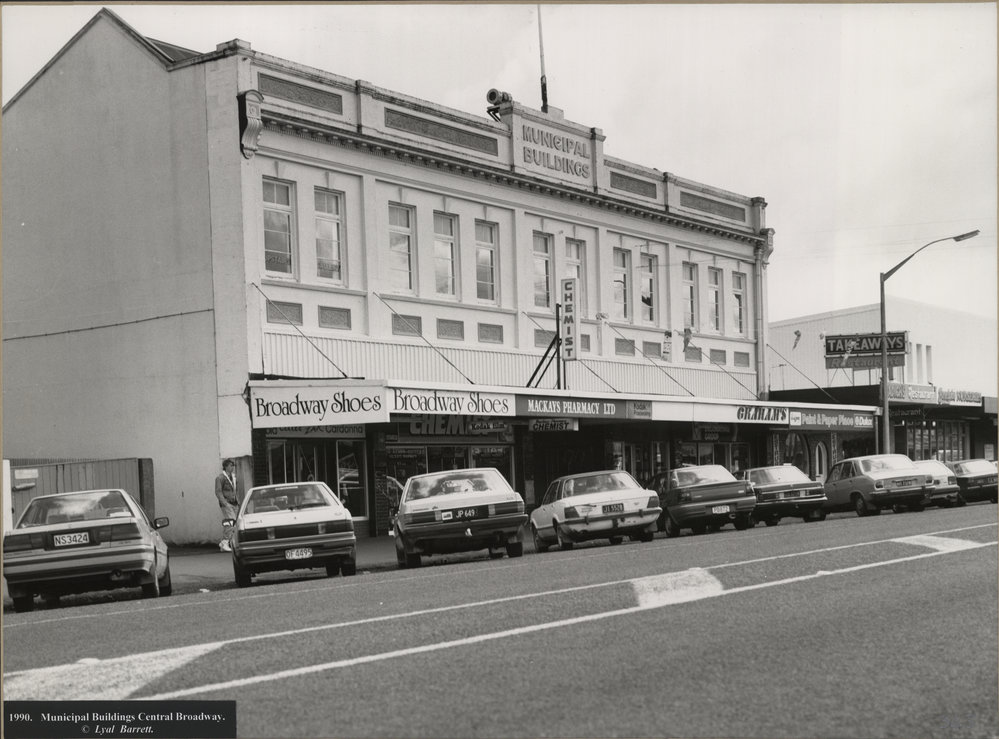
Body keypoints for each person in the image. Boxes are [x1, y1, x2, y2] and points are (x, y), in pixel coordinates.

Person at [214, 459, 239, 551]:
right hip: (227, 503)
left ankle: (225, 543)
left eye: (233, 466)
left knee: (232, 523)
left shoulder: (234, 477)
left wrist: (238, 501)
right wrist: (224, 503)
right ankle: (225, 541)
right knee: (231, 521)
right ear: (225, 467)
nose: (232, 467)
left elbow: (235, 491)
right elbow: (218, 491)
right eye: (230, 465)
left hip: (234, 503)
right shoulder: (220, 478)